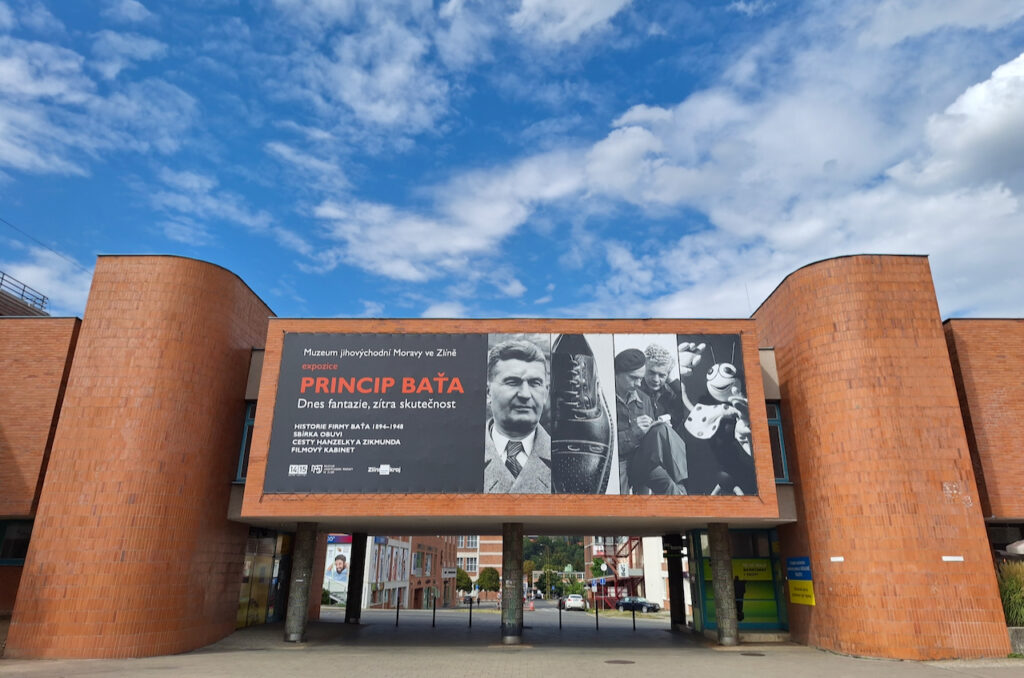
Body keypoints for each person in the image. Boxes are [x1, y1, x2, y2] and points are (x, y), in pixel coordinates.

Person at [614, 349, 688, 495]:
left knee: (673, 489)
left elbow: (683, 405)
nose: (638, 383)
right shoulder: (606, 398)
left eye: (662, 375)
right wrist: (634, 433)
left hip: (644, 458)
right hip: (620, 460)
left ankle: (683, 495)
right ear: (616, 373)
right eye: (633, 378)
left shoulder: (646, 397)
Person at [483, 339, 552, 493]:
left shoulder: (566, 460)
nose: (525, 395)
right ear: (488, 392)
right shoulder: (459, 458)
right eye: (512, 382)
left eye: (535, 383)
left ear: (545, 393)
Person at [640, 343, 686, 433]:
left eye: (661, 375)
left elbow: (686, 405)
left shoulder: (670, 394)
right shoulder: (632, 390)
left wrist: (671, 380)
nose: (655, 379)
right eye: (651, 372)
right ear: (643, 368)